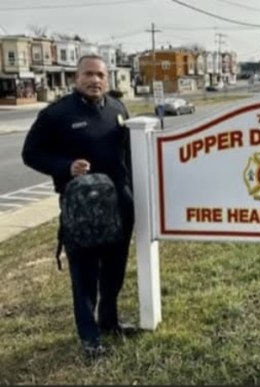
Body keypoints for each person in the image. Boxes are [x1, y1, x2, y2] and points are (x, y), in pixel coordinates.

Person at [22, 54, 137, 358]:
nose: (94, 80)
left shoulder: (117, 108)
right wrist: (65, 166)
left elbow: (129, 155)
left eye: (100, 74)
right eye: (88, 74)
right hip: (80, 208)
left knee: (114, 269)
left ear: (107, 79)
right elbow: (31, 153)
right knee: (85, 273)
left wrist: (135, 194)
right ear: (76, 78)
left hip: (119, 204)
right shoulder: (56, 114)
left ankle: (110, 322)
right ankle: (90, 337)